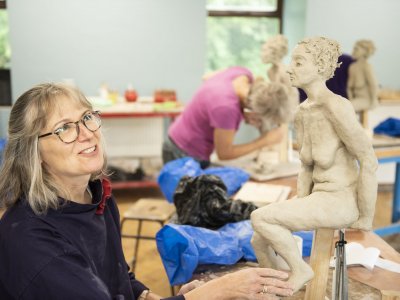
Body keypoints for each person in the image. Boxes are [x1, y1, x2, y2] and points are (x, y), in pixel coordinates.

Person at [0, 83, 294, 299]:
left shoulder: (97, 196)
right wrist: (210, 294)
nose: (87, 132)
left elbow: (117, 277)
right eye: (65, 128)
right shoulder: (35, 242)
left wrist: (146, 296)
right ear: (33, 151)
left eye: (87, 117)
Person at [250, 37, 378, 292]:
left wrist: (365, 216)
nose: (290, 69)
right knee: (259, 238)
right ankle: (276, 288)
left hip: (341, 199)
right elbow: (306, 166)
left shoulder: (336, 107)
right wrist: (299, 203)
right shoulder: (302, 112)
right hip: (319, 197)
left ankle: (300, 270)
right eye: (291, 62)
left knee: (259, 217)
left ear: (320, 67)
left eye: (299, 62)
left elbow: (368, 159)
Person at [162, 66, 287, 168]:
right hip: (182, 153)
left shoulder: (242, 73)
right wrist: (265, 141)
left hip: (178, 136)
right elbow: (224, 153)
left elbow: (206, 77)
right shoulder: (226, 108)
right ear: (252, 111)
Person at [347, 39, 379, 112]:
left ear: (364, 51)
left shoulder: (367, 66)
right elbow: (349, 87)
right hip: (356, 99)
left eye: (356, 49)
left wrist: (374, 100)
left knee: (347, 108)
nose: (353, 51)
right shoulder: (352, 67)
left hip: (366, 100)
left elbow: (373, 85)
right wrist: (351, 99)